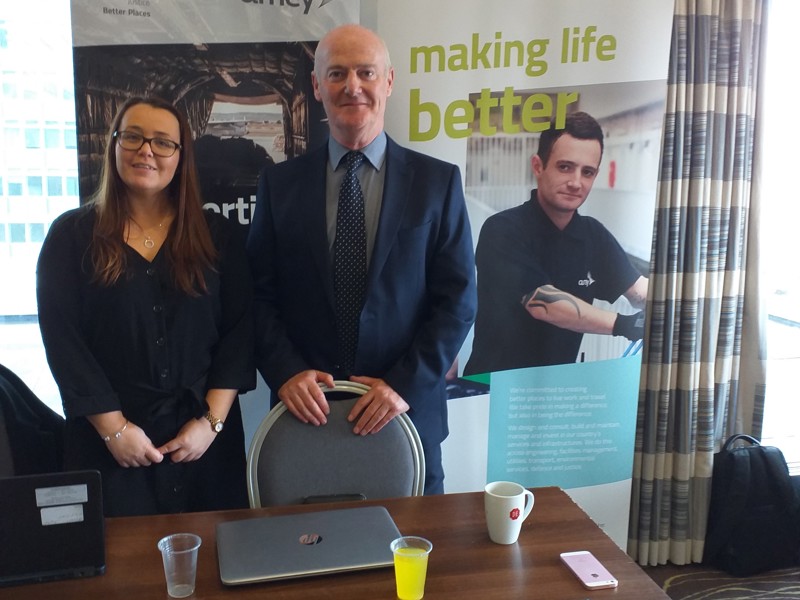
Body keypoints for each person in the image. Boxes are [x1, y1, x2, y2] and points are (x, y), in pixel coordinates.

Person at [246, 24, 477, 495]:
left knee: (408, 560)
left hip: (405, 416)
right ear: (316, 86)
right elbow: (255, 293)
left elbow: (458, 300)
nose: (353, 86)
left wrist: (402, 386)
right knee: (306, 557)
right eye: (336, 73)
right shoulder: (279, 186)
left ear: (388, 82)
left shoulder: (438, 183)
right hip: (305, 419)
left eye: (366, 72)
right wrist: (285, 371)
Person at [36, 96, 255, 516]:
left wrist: (211, 425)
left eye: (162, 142)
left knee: (218, 567)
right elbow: (64, 344)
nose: (146, 151)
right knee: (118, 576)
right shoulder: (70, 237)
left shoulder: (218, 237)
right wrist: (114, 430)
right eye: (133, 137)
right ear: (114, 145)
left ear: (181, 156)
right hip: (108, 451)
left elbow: (239, 335)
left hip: (205, 446)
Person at [464, 111, 648, 376]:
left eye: (587, 172)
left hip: (557, 393)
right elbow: (543, 303)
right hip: (493, 391)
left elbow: (638, 292)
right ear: (538, 166)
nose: (575, 182)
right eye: (565, 167)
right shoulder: (502, 229)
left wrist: (680, 305)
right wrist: (623, 324)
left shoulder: (593, 236)